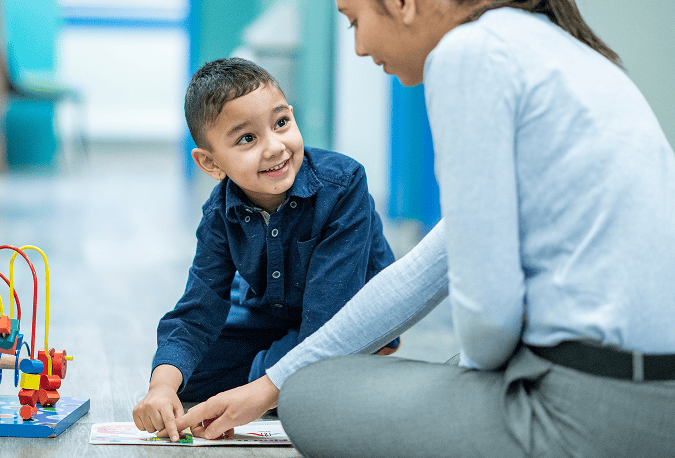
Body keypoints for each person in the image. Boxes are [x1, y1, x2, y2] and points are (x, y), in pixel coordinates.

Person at [172, 1, 675, 456]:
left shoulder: (469, 55)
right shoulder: (556, 44)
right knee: (306, 378)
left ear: (403, 5)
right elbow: (420, 273)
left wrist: (287, 385)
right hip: (660, 402)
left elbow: (490, 331)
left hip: (581, 414)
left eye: (353, 20)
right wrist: (268, 385)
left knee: (309, 395)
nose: (360, 46)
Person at [132, 57, 400, 441]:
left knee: (298, 375)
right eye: (247, 138)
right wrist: (161, 388)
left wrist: (258, 384)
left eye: (280, 123)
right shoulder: (219, 211)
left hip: (342, 318)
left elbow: (330, 318)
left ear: (292, 115)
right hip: (271, 316)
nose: (275, 147)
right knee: (189, 378)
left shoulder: (343, 184)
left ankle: (335, 366)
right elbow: (198, 309)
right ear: (210, 163)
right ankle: (286, 375)